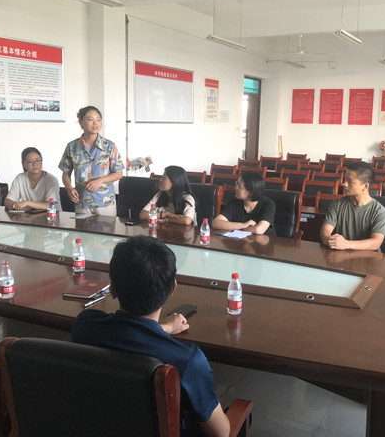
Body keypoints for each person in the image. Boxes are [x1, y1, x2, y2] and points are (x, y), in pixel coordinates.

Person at [72, 236, 230, 437]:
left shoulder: (85, 326)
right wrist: (164, 328)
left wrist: (165, 328)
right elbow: (221, 433)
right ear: (172, 288)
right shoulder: (187, 360)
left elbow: (129, 334)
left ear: (112, 289)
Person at [58, 106, 124, 215]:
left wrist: (100, 180)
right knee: (81, 226)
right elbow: (65, 173)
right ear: (81, 122)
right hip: (82, 202)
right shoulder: (72, 147)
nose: (95, 123)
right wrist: (69, 189)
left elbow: (119, 173)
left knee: (106, 227)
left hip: (104, 202)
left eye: (98, 119)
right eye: (90, 119)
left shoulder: (109, 146)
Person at [319, 161, 385, 251]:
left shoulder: (380, 212)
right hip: (340, 255)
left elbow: (375, 243)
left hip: (368, 258)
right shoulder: (336, 204)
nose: (344, 184)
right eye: (345, 179)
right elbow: (326, 230)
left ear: (365, 186)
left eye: (350, 181)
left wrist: (346, 244)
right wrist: (329, 240)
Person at [212, 171, 276, 236]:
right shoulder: (235, 202)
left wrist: (234, 227)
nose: (235, 188)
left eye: (239, 186)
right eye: (236, 184)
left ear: (250, 192)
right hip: (239, 241)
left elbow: (258, 230)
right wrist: (243, 225)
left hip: (265, 241)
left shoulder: (268, 204)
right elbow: (216, 223)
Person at [5, 147, 60, 211]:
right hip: (29, 216)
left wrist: (26, 203)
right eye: (30, 162)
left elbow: (50, 205)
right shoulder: (20, 178)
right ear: (24, 164)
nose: (35, 164)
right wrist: (15, 205)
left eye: (38, 160)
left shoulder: (51, 180)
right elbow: (8, 201)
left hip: (51, 215)